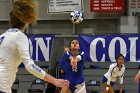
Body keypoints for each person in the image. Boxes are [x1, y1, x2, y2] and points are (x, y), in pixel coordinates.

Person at [0, 0, 69, 93]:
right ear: (27, 20)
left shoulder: (3, 35)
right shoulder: (19, 36)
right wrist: (54, 81)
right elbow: (30, 66)